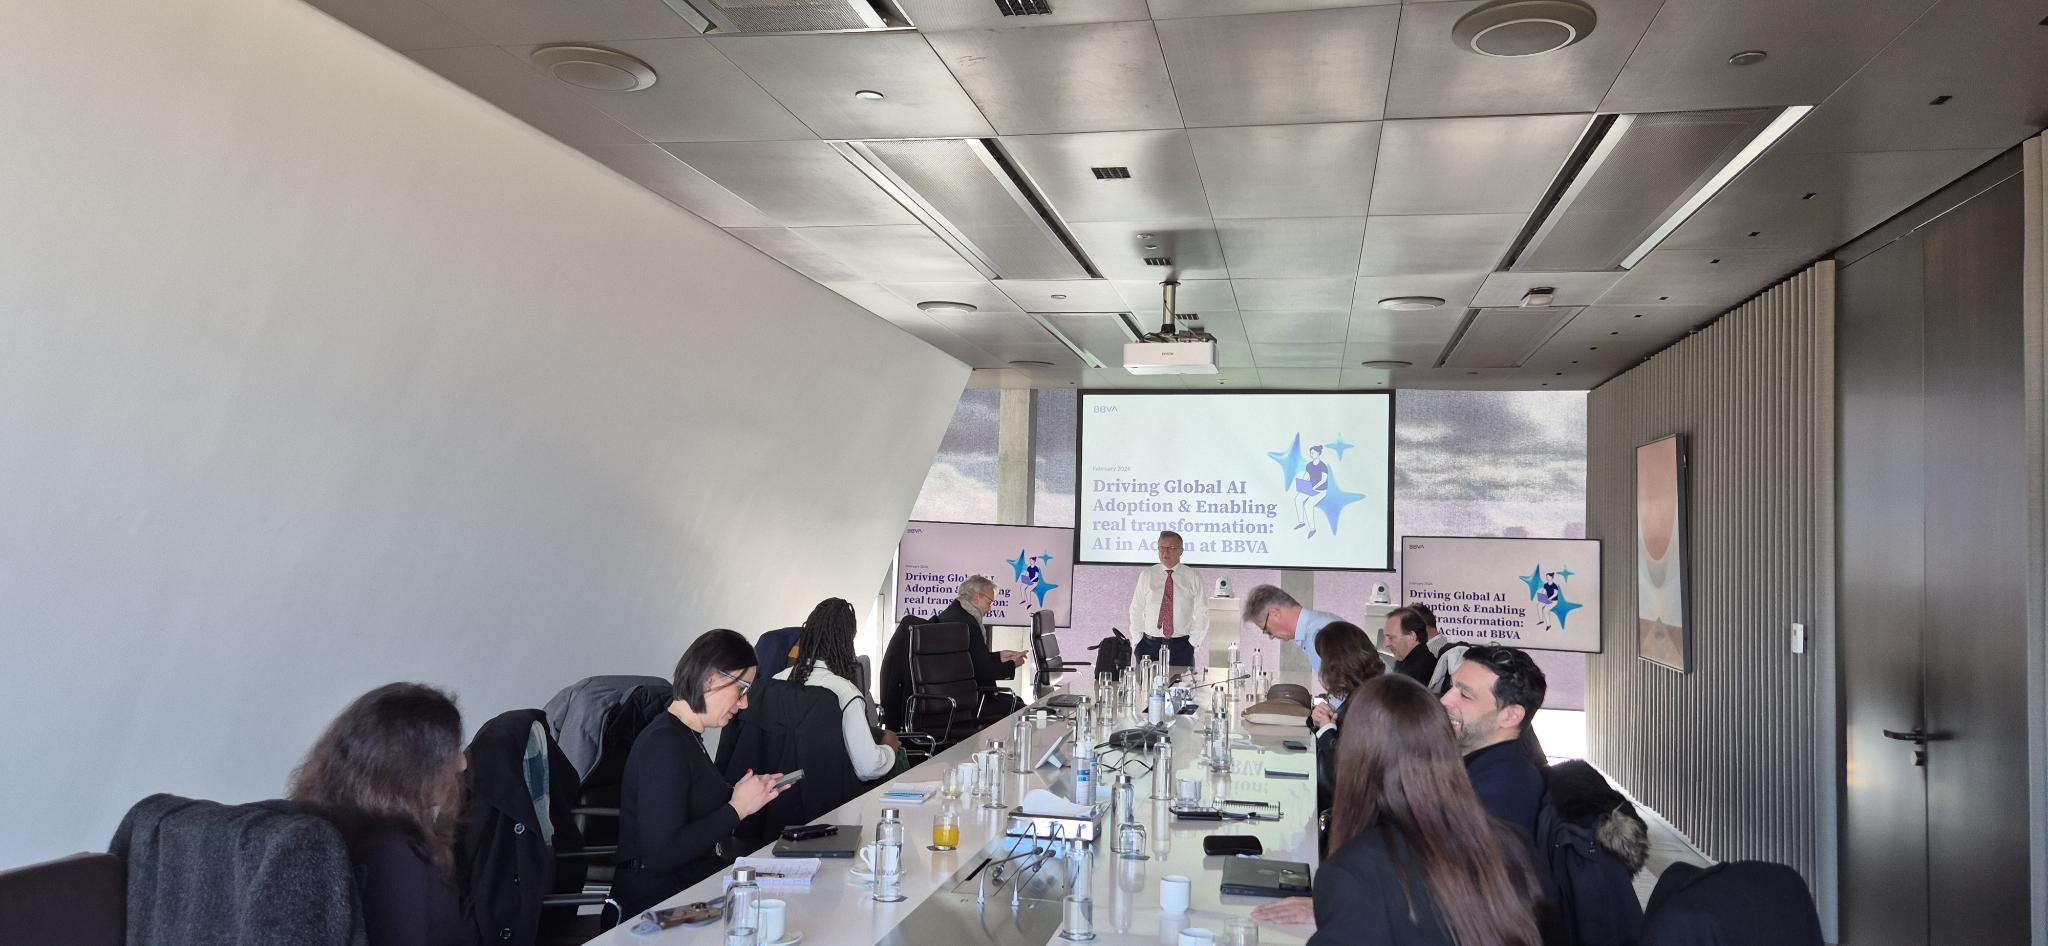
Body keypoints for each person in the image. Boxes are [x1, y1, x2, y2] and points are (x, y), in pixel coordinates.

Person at [1255, 675, 1544, 946]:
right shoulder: (1515, 845)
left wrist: (1339, 905)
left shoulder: (1355, 874)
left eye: (1464, 693)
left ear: (1355, 754)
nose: (1448, 699)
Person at [612, 629, 787, 916]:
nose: (744, 703)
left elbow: (692, 808)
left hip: (686, 890)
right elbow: (661, 853)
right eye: (742, 690)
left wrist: (742, 795)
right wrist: (737, 808)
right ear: (711, 679)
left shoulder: (687, 736)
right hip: (654, 910)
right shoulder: (664, 744)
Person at [287, 683, 470, 946]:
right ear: (409, 763)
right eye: (450, 751)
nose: (462, 763)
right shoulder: (396, 859)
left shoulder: (317, 828)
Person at [775, 597, 904, 781]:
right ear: (847, 642)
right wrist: (889, 748)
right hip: (829, 793)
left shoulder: (775, 681)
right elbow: (867, 768)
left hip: (780, 790)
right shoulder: (845, 693)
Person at [1440, 645, 1548, 840]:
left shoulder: (1501, 794)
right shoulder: (1476, 770)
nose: (1444, 701)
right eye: (1451, 686)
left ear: (1510, 716)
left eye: (1465, 695)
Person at [1307, 621, 1383, 813]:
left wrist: (1326, 730)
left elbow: (1348, 769)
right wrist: (1321, 723)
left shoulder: (1370, 702)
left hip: (1342, 810)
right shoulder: (1364, 692)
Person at [934, 575, 1028, 718]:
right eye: (989, 602)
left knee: (1017, 701)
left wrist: (999, 656)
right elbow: (983, 671)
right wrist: (1012, 664)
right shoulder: (968, 623)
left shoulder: (954, 614)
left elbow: (970, 658)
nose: (990, 609)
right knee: (1023, 710)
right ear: (978, 597)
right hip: (969, 701)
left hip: (955, 695)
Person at [1125, 530, 1208, 668]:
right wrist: (1138, 640)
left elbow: (1202, 612)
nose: (1165, 552)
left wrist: (1193, 643)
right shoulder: (1147, 575)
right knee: (1146, 681)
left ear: (1181, 551)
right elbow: (1136, 609)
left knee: (1181, 681)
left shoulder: (1192, 576)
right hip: (1148, 646)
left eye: (1171, 548)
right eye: (1161, 548)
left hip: (1181, 646)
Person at [1242, 584, 1344, 678]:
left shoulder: (1318, 632)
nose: (1271, 637)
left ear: (1274, 614)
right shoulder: (1315, 626)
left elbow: (1345, 684)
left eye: (1267, 630)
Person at [1382, 605, 1439, 686]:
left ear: (1412, 636)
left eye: (1391, 638)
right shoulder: (1406, 661)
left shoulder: (1420, 669)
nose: (1385, 644)